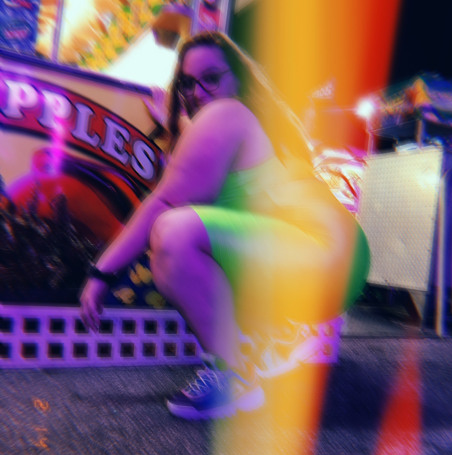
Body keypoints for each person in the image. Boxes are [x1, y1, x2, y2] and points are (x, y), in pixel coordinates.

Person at [80, 31, 370, 420]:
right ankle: (275, 338)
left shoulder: (227, 114)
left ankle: (236, 376)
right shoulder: (244, 122)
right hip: (330, 255)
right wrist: (176, 121)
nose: (196, 92)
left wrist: (101, 273)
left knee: (173, 233)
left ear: (238, 79)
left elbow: (167, 199)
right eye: (187, 83)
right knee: (194, 238)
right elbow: (203, 159)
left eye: (211, 78)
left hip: (322, 252)